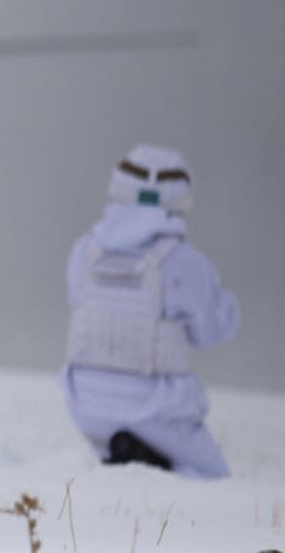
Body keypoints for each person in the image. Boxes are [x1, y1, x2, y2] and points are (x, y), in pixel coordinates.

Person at [61, 144, 240, 478]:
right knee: (214, 480)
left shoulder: (85, 251)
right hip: (157, 407)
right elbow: (211, 332)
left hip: (86, 405)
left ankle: (131, 459)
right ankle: (150, 460)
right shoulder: (182, 261)